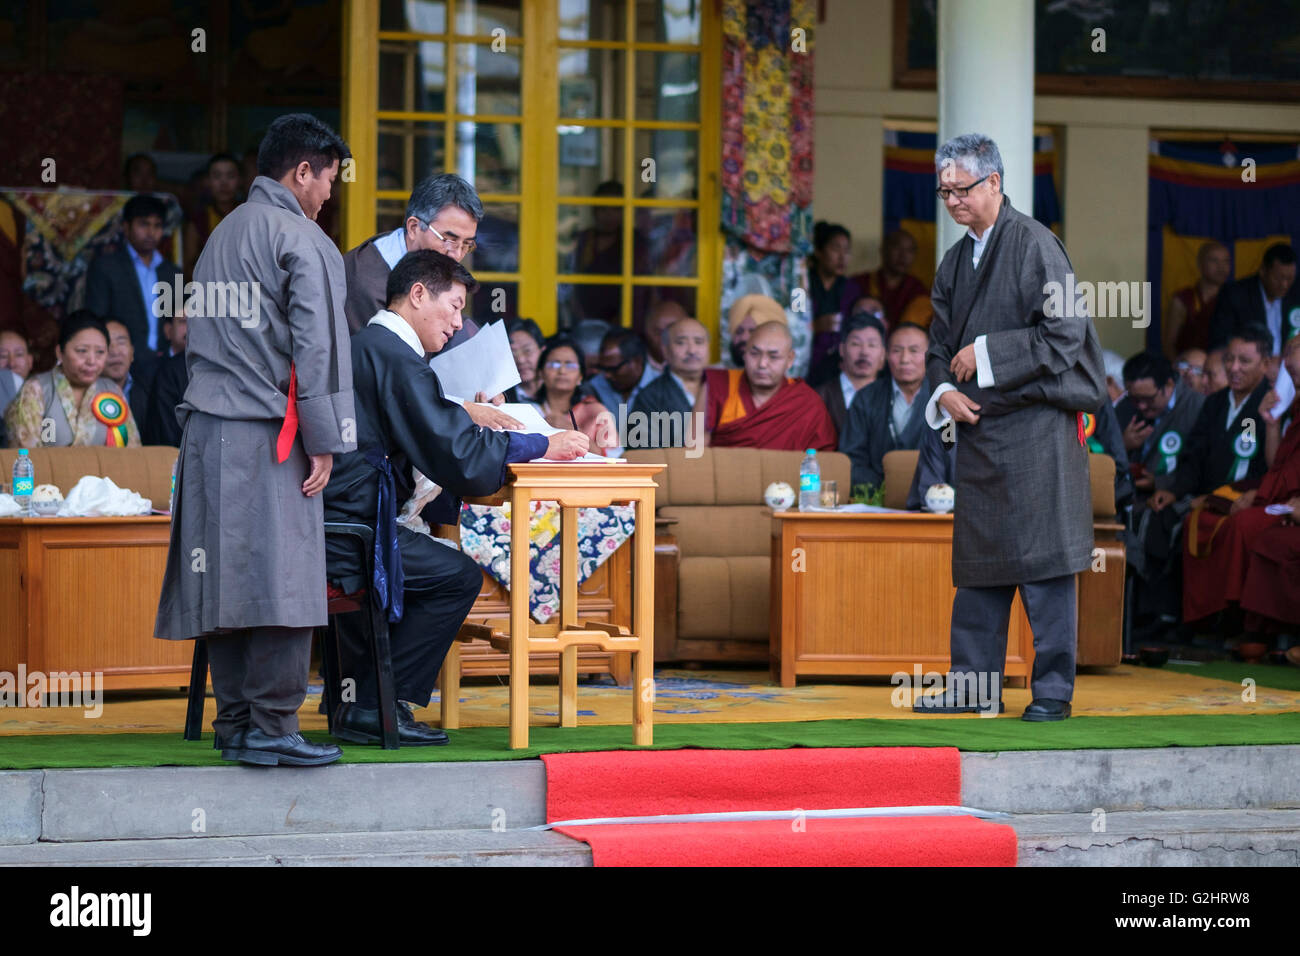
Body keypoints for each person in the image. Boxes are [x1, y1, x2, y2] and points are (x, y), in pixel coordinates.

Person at [153, 113, 356, 768]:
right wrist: (325, 436)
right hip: (270, 430)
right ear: (302, 172)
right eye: (327, 180)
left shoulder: (219, 235)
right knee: (283, 581)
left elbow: (194, 343)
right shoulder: (301, 237)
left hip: (206, 431)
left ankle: (236, 721)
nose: (329, 195)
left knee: (226, 584)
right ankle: (272, 725)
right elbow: (316, 346)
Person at [324, 250, 588, 744]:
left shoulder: (372, 347)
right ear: (418, 294)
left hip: (341, 516)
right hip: (354, 527)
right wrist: (542, 443)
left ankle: (358, 701)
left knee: (437, 565)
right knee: (456, 576)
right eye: (455, 306)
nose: (458, 322)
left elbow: (439, 437)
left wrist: (471, 420)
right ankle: (380, 704)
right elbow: (456, 452)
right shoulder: (395, 356)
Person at [917, 133, 1106, 722]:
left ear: (994, 183)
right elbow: (937, 345)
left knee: (1045, 565)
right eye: (944, 191)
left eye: (961, 189)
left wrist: (985, 354)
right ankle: (975, 686)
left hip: (1037, 428)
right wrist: (944, 390)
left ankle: (1052, 692)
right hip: (980, 431)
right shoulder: (955, 259)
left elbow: (1064, 334)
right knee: (979, 566)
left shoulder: (1035, 244)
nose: (951, 202)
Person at [1184, 335, 1300, 629]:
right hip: (1278, 497)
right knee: (1200, 520)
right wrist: (1271, 423)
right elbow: (1281, 466)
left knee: (1244, 526)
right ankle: (1205, 618)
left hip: (1279, 499)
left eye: (1244, 361)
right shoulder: (1280, 402)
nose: (1234, 368)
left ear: (1262, 364)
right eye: (1230, 360)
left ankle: (1241, 622)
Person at [1113, 352, 1207, 635]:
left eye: (1148, 399)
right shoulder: (1125, 408)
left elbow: (1200, 464)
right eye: (1135, 399)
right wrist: (1125, 445)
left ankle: (1154, 613)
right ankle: (1122, 613)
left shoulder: (1198, 407)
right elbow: (1106, 453)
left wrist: (1163, 484)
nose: (1141, 406)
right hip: (1133, 494)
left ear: (1168, 386)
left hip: (1180, 494)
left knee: (1152, 522)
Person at [342, 173, 484, 337]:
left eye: (467, 244)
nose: (457, 255)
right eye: (449, 240)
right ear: (414, 227)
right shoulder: (367, 285)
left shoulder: (425, 265)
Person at [5, 311, 140, 448]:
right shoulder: (36, 390)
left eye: (100, 352)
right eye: (82, 351)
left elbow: (130, 453)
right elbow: (25, 455)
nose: (92, 361)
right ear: (59, 353)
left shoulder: (112, 392)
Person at [697, 321, 837, 451]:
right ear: (744, 354)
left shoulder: (807, 403)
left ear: (790, 359)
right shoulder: (717, 387)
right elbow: (694, 450)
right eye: (754, 354)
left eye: (773, 356)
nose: (762, 364)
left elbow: (822, 462)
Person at [84, 194, 183, 363]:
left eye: (157, 225)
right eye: (144, 224)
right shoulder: (106, 267)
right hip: (119, 361)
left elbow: (179, 321)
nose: (151, 232)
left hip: (165, 363)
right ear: (126, 227)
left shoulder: (172, 273)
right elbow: (96, 320)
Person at [839, 322, 932, 488]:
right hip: (877, 499)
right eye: (897, 351)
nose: (905, 359)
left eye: (914, 351)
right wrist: (884, 489)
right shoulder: (865, 398)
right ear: (886, 355)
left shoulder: (944, 399)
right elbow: (851, 458)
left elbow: (951, 447)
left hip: (931, 497)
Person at [629, 317, 709, 448]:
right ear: (665, 350)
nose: (692, 350)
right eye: (681, 343)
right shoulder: (650, 397)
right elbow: (644, 453)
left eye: (699, 342)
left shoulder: (724, 388)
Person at [1209, 243, 1299, 354]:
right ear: (1263, 271)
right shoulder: (1235, 295)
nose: (1284, 285)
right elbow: (1220, 342)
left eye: (1289, 279)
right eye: (1278, 278)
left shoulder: (1296, 293)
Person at [534, 338, 618, 455]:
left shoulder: (595, 411)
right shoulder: (529, 411)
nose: (562, 371)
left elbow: (615, 458)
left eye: (570, 365)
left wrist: (574, 431)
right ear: (541, 373)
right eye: (554, 364)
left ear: (580, 377)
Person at [814, 312, 887, 433]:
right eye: (856, 344)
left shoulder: (892, 397)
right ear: (842, 350)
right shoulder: (820, 397)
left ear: (883, 354)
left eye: (872, 345)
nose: (864, 352)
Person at [1163, 241, 1230, 357]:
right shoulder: (1184, 298)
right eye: (1214, 260)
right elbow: (1169, 344)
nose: (1221, 267)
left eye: (1226, 261)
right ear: (1200, 264)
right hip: (1190, 367)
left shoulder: (1236, 297)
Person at [851, 229, 929, 325]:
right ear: (883, 249)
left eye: (909, 250)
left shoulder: (918, 290)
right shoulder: (860, 283)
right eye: (897, 248)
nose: (903, 256)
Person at [183, 153, 244, 276]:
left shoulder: (250, 216)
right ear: (208, 181)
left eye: (230, 176)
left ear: (240, 180)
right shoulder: (198, 221)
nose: (224, 183)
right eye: (217, 176)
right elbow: (189, 269)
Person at [103, 318, 155, 433]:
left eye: (121, 342)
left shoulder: (149, 393)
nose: (115, 351)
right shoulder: (85, 393)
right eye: (107, 344)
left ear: (132, 352)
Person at [590, 327, 655, 416]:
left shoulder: (662, 389)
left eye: (613, 369)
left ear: (637, 362)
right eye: (603, 368)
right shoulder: (595, 387)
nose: (607, 375)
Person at [724, 293, 787, 367]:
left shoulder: (789, 378)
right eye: (739, 332)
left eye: (753, 332)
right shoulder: (713, 376)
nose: (744, 337)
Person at [641, 299, 688, 372]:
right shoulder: (634, 366)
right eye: (658, 332)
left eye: (674, 332)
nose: (665, 338)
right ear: (647, 331)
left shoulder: (697, 368)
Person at [505, 317, 544, 402]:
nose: (520, 360)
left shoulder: (558, 391)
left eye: (527, 351)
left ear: (543, 352)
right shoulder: (503, 398)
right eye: (513, 354)